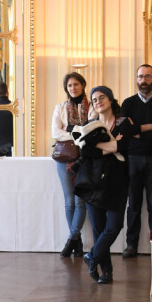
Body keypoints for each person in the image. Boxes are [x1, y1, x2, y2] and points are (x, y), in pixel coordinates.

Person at [77, 86, 135, 284]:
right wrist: (108, 147)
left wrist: (97, 146)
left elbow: (123, 146)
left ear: (110, 100)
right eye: (94, 100)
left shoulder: (123, 123)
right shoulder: (90, 125)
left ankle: (91, 256)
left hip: (118, 181)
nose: (98, 102)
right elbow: (85, 153)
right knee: (98, 229)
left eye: (102, 98)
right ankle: (106, 271)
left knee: (114, 226)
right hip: (94, 182)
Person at [120, 64, 152, 258]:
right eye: (140, 77)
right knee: (133, 204)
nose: (143, 81)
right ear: (136, 79)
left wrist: (138, 132)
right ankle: (131, 244)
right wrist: (149, 127)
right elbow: (124, 131)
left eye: (148, 77)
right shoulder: (127, 104)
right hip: (132, 159)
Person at [51, 72, 94, 257]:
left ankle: (72, 239)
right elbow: (55, 132)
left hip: (85, 158)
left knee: (80, 200)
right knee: (69, 202)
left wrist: (70, 129)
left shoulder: (91, 107)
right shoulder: (60, 108)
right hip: (64, 158)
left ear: (83, 85)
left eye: (76, 84)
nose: (73, 88)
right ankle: (76, 240)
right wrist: (77, 133)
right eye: (69, 85)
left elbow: (91, 131)